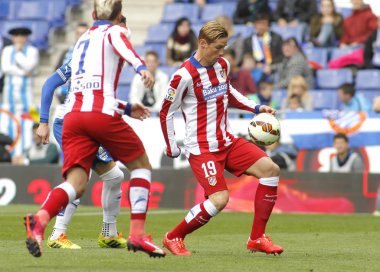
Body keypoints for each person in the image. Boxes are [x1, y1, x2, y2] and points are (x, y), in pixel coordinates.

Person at [24, 0, 166, 258]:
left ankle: (40, 220)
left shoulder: (82, 42)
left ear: (91, 15)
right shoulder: (115, 32)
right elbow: (123, 47)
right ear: (119, 16)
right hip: (96, 116)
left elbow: (87, 88)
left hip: (75, 118)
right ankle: (136, 234)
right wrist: (142, 68)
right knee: (141, 166)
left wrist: (125, 107)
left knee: (78, 182)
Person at [160, 21, 283, 256]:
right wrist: (171, 145)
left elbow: (228, 92)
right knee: (219, 199)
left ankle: (257, 238)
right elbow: (166, 111)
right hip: (202, 148)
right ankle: (173, 236)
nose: (222, 52)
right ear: (203, 43)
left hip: (227, 141)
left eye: (224, 47)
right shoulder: (182, 76)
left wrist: (257, 108)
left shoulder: (222, 64)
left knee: (270, 169)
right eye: (218, 47)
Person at [1, 27, 39, 113]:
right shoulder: (7, 50)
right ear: (13, 38)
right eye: (16, 36)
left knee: (32, 112)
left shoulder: (32, 51)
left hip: (26, 88)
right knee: (8, 114)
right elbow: (6, 68)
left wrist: (18, 53)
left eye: (22, 36)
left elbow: (29, 66)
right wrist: (23, 73)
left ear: (26, 38)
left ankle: (35, 126)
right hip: (9, 88)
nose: (19, 39)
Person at [55, 23, 89, 104]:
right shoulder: (66, 52)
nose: (81, 36)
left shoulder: (92, 53)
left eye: (83, 34)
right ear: (75, 35)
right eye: (78, 34)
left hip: (84, 97)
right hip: (65, 97)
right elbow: (57, 73)